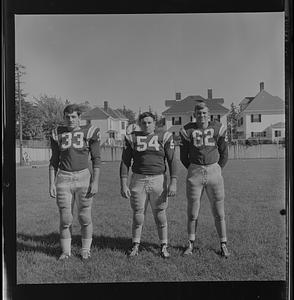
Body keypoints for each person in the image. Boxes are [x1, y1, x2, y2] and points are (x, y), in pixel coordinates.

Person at [120, 112, 177, 258]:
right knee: (138, 215)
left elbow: (171, 161)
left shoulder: (164, 136)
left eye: (149, 122)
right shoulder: (132, 137)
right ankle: (135, 244)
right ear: (139, 123)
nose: (146, 125)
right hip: (138, 179)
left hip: (158, 179)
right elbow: (125, 162)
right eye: (144, 122)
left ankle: (164, 245)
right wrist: (123, 183)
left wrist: (173, 182)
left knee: (160, 215)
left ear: (155, 123)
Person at [49, 104, 101, 260]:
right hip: (63, 178)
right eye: (67, 117)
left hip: (83, 177)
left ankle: (86, 249)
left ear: (79, 118)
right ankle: (66, 251)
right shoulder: (57, 133)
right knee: (65, 218)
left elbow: (96, 159)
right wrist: (51, 183)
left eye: (73, 117)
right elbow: (54, 160)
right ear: (64, 117)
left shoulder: (90, 131)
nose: (70, 120)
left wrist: (95, 181)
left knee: (85, 216)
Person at [179, 101, 230, 258]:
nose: (202, 116)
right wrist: (194, 169)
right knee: (193, 212)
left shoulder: (218, 127)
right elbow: (183, 156)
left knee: (219, 212)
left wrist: (217, 168)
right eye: (199, 113)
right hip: (195, 171)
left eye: (204, 113)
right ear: (195, 115)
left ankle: (223, 244)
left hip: (214, 170)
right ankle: (190, 243)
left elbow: (224, 152)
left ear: (209, 114)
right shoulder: (187, 130)